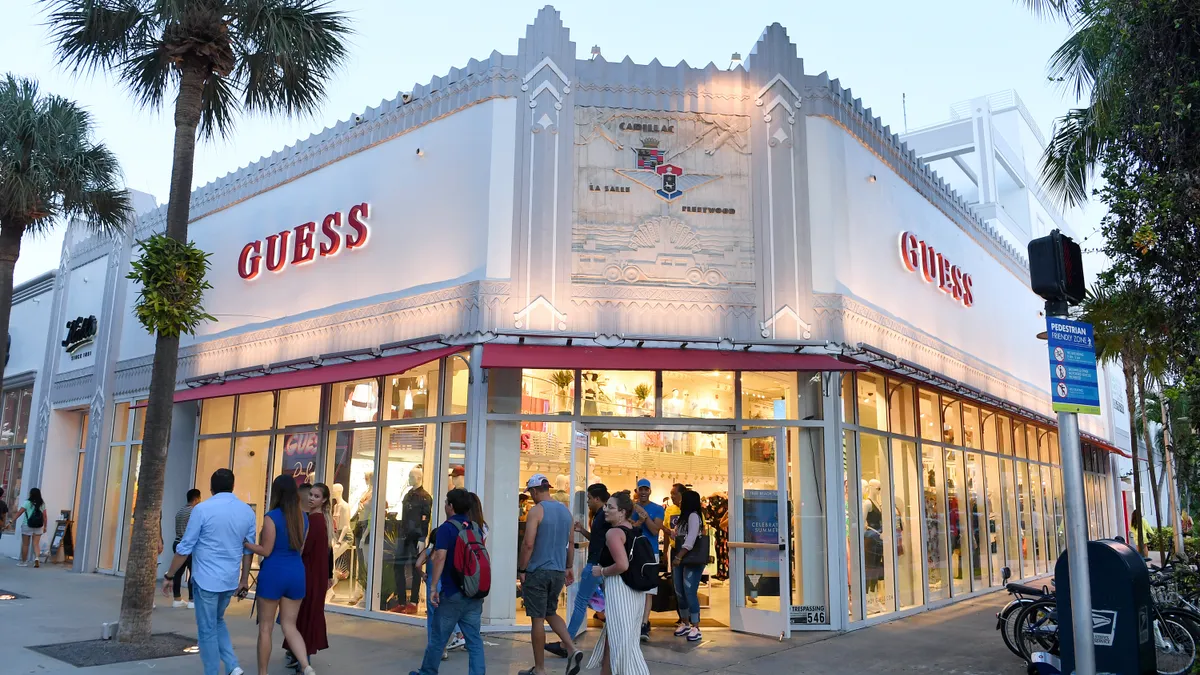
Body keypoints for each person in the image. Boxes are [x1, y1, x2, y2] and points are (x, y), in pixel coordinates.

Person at [162, 469, 257, 675]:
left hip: (206, 579)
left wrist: (169, 575)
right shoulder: (247, 511)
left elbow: (185, 546)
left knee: (206, 629)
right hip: (230, 579)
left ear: (211, 488)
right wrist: (243, 580)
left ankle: (213, 671)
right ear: (233, 486)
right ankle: (233, 666)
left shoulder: (202, 509)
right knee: (217, 621)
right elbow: (248, 548)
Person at [243, 474, 315, 675]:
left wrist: (248, 544)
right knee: (290, 626)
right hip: (296, 572)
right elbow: (300, 549)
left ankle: (263, 673)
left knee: (266, 628)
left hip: (274, 573)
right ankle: (306, 666)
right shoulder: (304, 518)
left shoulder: (271, 517)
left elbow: (266, 550)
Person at [409, 488, 486, 675]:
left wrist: (433, 587)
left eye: (446, 502)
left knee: (438, 638)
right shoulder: (475, 527)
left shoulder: (446, 528)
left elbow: (440, 557)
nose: (444, 506)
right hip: (473, 592)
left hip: (452, 592)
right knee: (474, 641)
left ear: (451, 506)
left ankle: (427, 672)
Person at [518, 474, 582, 675]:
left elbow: (528, 544)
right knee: (550, 611)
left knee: (537, 619)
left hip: (538, 570)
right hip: (557, 571)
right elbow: (570, 543)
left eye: (531, 493)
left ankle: (540, 669)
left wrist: (522, 569)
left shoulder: (537, 511)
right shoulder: (565, 512)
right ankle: (572, 648)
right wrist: (568, 566)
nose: (531, 497)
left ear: (535, 491)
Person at [585, 491, 650, 675]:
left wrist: (602, 571)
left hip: (620, 590)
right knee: (617, 637)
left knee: (623, 643)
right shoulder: (632, 529)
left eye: (610, 507)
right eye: (606, 506)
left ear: (622, 512)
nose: (605, 510)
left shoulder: (613, 533)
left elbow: (622, 564)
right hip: (634, 591)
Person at [546, 483, 610, 658]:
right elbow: (599, 539)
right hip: (600, 565)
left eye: (589, 498)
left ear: (597, 499)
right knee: (598, 603)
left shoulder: (603, 516)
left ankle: (565, 644)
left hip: (596, 565)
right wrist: (582, 530)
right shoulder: (601, 516)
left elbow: (605, 541)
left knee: (580, 603)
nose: (587, 502)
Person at [283, 482, 334, 671]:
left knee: (306, 615)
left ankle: (304, 660)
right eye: (311, 495)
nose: (312, 498)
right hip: (312, 573)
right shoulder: (319, 519)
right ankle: (300, 656)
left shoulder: (316, 521)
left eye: (316, 496)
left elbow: (304, 549)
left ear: (324, 500)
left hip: (310, 574)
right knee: (303, 615)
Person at [628, 479, 664, 642]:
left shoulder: (657, 509)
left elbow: (655, 531)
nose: (643, 492)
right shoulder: (630, 508)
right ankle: (634, 622)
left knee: (649, 590)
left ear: (650, 491)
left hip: (651, 553)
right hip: (633, 553)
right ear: (637, 490)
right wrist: (638, 521)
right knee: (633, 588)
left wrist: (645, 517)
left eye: (646, 489)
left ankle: (644, 623)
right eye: (640, 489)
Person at [671, 490, 705, 642]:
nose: (679, 500)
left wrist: (679, 556)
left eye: (682, 499)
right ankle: (685, 622)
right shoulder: (683, 518)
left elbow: (690, 540)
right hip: (682, 558)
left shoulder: (693, 516)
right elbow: (679, 536)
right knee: (679, 591)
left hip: (689, 558)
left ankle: (695, 626)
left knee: (689, 590)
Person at [172, 489, 202, 608]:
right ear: (196, 499)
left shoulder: (180, 511)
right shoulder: (194, 511)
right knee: (193, 572)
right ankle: (192, 600)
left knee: (178, 572)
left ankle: (177, 598)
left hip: (177, 542)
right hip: (189, 545)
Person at [11, 487, 46, 567]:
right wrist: (45, 526)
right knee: (36, 544)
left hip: (27, 525)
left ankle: (24, 562)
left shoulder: (27, 502)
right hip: (38, 526)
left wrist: (12, 520)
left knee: (25, 544)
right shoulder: (42, 503)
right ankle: (37, 560)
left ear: (31, 494)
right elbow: (44, 516)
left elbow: (19, 512)